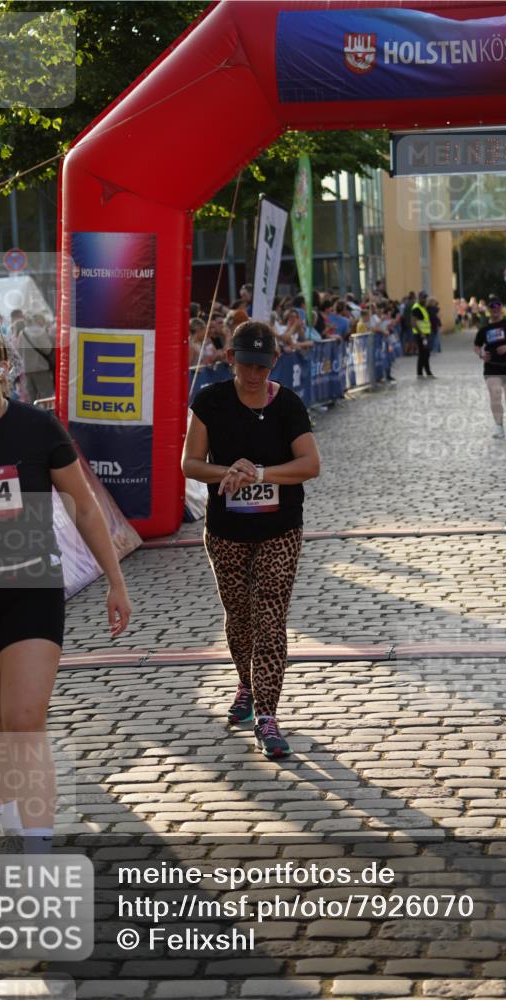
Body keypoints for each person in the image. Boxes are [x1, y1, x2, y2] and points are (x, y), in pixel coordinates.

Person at [0, 322, 132, 851]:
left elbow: (84, 506)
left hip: (32, 589)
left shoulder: (39, 428)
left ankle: (37, 843)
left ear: (2, 366)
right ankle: (12, 827)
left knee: (23, 718)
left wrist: (116, 581)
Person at [182, 321, 320, 760]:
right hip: (226, 531)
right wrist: (230, 473)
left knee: (271, 616)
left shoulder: (289, 405)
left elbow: (310, 464)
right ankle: (246, 681)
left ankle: (267, 714)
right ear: (230, 360)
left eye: (262, 365)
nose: (254, 374)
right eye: (246, 364)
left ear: (274, 363)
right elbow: (190, 464)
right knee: (239, 616)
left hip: (280, 528)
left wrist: (260, 474)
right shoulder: (210, 402)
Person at [473, 296, 506, 439]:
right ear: (488, 310)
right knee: (495, 396)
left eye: (497, 306)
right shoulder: (484, 328)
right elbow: (476, 346)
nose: (495, 309)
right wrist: (481, 353)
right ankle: (499, 427)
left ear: (501, 308)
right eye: (492, 307)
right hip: (492, 367)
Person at [411, 290, 435, 378]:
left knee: (425, 353)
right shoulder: (416, 308)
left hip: (425, 334)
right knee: (423, 353)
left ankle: (421, 372)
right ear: (419, 298)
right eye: (423, 298)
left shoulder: (423, 307)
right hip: (420, 335)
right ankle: (425, 372)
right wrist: (421, 333)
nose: (424, 299)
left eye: (425, 298)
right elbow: (413, 323)